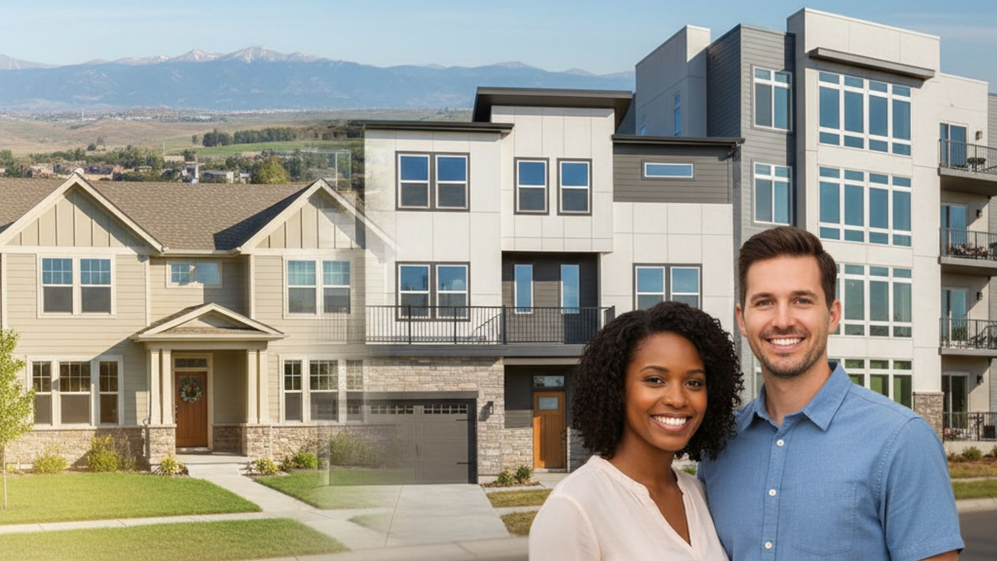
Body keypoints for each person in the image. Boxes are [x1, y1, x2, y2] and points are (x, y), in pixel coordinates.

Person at [699, 226, 963, 560]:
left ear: (833, 314)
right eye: (764, 302)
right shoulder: (719, 445)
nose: (782, 320)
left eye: (801, 300)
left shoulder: (902, 441)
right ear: (742, 318)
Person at [530, 301, 743, 560]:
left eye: (693, 382)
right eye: (655, 380)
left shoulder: (698, 493)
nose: (677, 399)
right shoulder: (574, 508)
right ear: (618, 388)